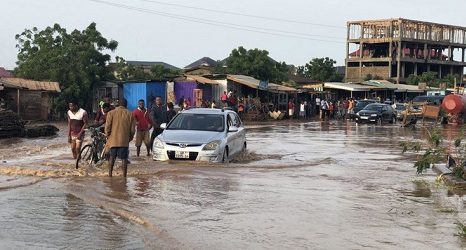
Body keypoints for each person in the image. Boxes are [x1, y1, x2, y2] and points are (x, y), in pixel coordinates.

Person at [105, 99, 135, 177]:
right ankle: (124, 176)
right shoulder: (130, 114)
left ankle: (110, 174)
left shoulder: (111, 113)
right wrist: (129, 138)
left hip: (113, 140)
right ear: (126, 105)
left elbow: (107, 127)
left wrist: (108, 136)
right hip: (124, 140)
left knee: (112, 157)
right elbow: (132, 130)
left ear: (118, 104)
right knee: (124, 159)